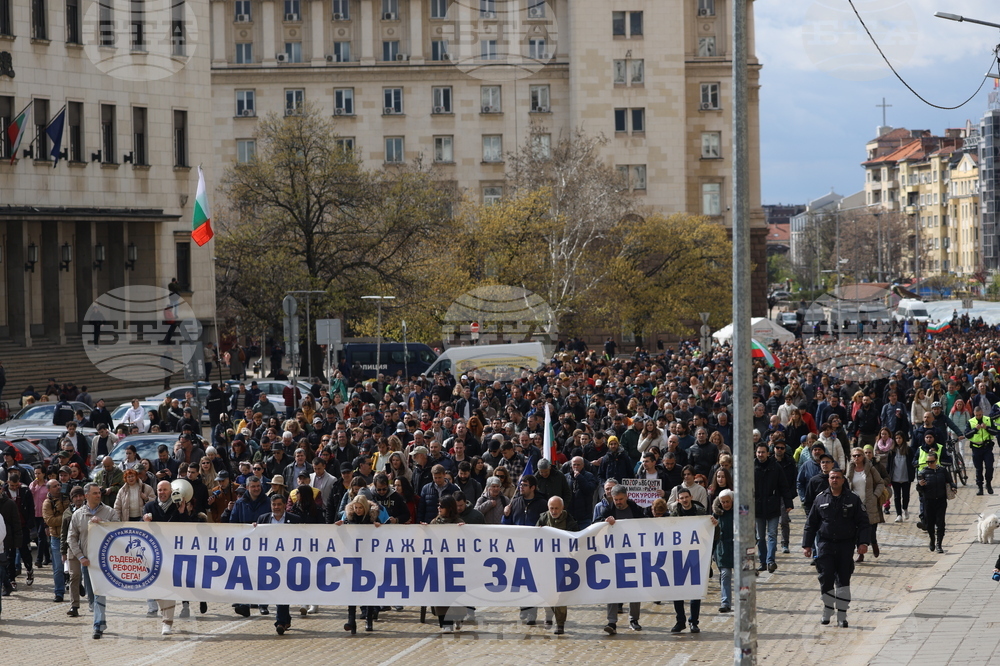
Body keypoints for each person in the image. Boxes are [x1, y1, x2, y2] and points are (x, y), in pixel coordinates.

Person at [802, 468, 870, 628]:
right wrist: (807, 545)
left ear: (842, 480)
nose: (834, 480)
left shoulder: (853, 499)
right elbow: (811, 524)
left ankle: (842, 614)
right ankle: (827, 609)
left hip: (846, 545)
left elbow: (863, 523)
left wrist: (863, 543)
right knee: (825, 578)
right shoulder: (820, 499)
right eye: (832, 478)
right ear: (828, 480)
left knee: (843, 581)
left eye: (838, 478)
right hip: (825, 545)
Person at [142, 480, 198, 634]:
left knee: (169, 587)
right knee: (157, 588)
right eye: (160, 490)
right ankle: (164, 614)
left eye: (165, 489)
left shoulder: (177, 505)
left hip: (172, 554)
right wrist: (144, 521)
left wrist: (181, 513)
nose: (162, 492)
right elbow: (141, 529)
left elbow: (187, 528)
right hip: (154, 554)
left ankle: (167, 621)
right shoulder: (149, 507)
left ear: (171, 490)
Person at [66, 482, 120, 639]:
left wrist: (103, 524)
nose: (98, 495)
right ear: (86, 496)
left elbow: (119, 529)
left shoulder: (109, 512)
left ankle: (98, 625)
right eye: (95, 493)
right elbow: (71, 537)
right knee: (91, 596)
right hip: (87, 562)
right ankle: (99, 620)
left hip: (104, 562)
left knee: (99, 593)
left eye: (99, 492)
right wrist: (80, 557)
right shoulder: (78, 514)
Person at [597, 484, 645, 635]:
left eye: (620, 499)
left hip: (633, 555)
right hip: (613, 556)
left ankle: (634, 619)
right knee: (612, 588)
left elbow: (647, 524)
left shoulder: (635, 509)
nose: (618, 502)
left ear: (627, 496)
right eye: (615, 499)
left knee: (634, 588)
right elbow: (595, 525)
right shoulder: (608, 510)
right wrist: (605, 522)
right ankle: (612, 622)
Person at [669, 486, 716, 632]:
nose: (684, 500)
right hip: (678, 557)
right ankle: (680, 620)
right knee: (678, 591)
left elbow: (713, 535)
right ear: (678, 500)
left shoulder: (701, 512)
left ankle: (693, 622)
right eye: (681, 498)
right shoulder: (673, 515)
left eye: (686, 497)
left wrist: (715, 525)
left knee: (695, 590)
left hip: (697, 556)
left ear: (691, 498)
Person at [254, 494, 300, 635]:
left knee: (282, 591)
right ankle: (285, 619)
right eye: (274, 504)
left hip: (288, 560)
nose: (276, 507)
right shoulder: (263, 519)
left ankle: (280, 621)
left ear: (285, 505)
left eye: (279, 504)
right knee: (278, 591)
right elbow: (256, 538)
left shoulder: (294, 520)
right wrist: (253, 529)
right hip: (269, 562)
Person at [535, 496, 577, 634]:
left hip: (563, 564)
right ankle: (549, 614)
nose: (553, 511)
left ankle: (560, 623)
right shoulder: (542, 518)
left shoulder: (570, 521)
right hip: (546, 563)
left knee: (560, 595)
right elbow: (534, 536)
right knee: (547, 593)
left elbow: (576, 539)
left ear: (562, 508)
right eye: (551, 508)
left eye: (556, 508)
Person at [917, 451, 955, 554]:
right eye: (928, 462)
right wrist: (920, 485)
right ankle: (932, 539)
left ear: (936, 460)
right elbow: (919, 489)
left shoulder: (942, 471)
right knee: (930, 524)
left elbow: (950, 481)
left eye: (932, 461)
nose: (929, 464)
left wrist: (953, 487)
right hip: (928, 501)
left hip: (941, 500)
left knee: (940, 523)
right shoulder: (923, 472)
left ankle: (939, 544)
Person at [41, 479, 69, 602]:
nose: (58, 487)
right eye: (54, 486)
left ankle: (77, 587)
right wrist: (67, 516)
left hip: (72, 536)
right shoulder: (47, 503)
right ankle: (59, 592)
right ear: (49, 489)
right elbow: (50, 521)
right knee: (58, 567)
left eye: (59, 485)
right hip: (57, 537)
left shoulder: (67, 497)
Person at [964, 404, 997, 495]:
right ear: (974, 414)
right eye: (976, 415)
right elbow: (967, 435)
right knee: (979, 469)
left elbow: (996, 431)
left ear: (982, 413)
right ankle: (980, 487)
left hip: (987, 447)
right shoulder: (971, 422)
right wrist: (975, 429)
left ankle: (988, 483)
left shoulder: (988, 420)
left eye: (980, 415)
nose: (978, 416)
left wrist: (987, 428)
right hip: (976, 448)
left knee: (989, 467)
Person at [712, 488, 735, 613]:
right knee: (725, 575)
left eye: (727, 501)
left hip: (738, 547)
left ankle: (744, 600)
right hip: (722, 549)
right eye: (723, 502)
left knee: (743, 576)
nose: (725, 504)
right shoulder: (716, 514)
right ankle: (725, 602)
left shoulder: (740, 512)